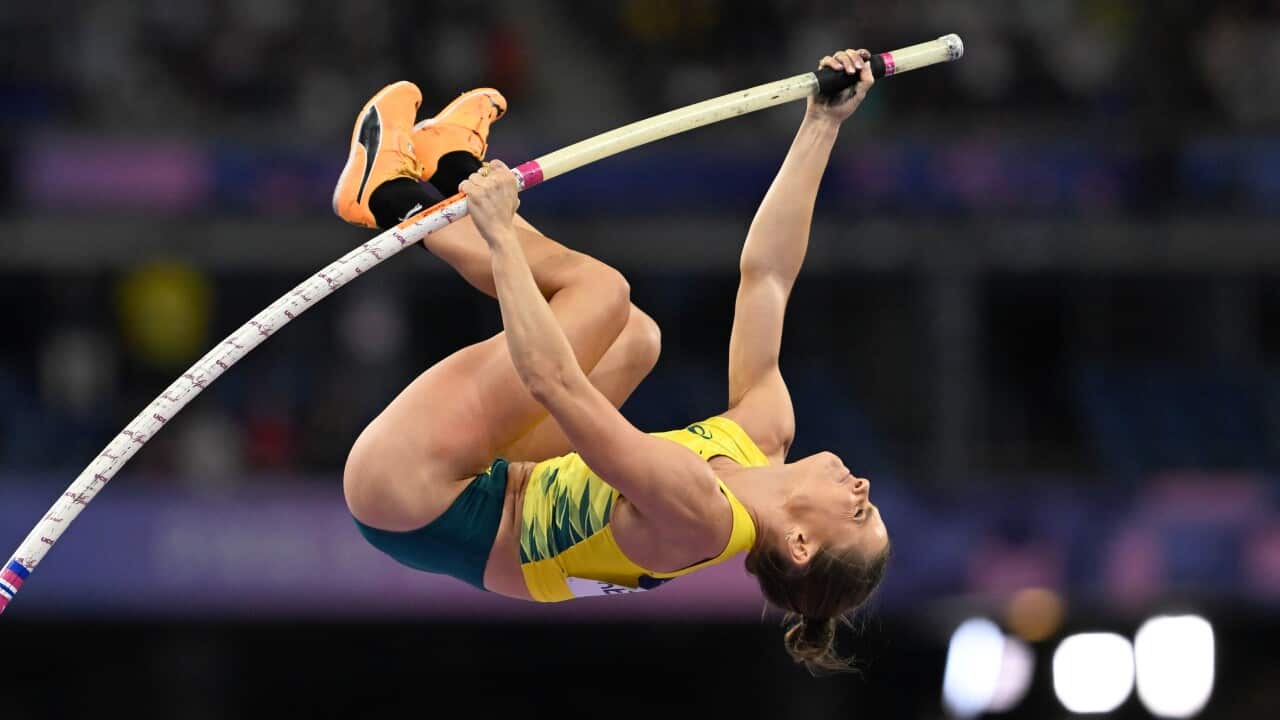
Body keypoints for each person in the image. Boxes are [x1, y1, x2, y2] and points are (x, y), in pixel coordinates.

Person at [332, 49, 890, 673]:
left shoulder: (699, 517)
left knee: (601, 294)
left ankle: (389, 196)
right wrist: (822, 122)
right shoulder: (765, 434)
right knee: (634, 335)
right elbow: (767, 279)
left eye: (860, 513)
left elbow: (555, 384)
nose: (864, 489)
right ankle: (454, 164)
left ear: (800, 544)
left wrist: (500, 235)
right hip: (499, 477)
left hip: (416, 496)